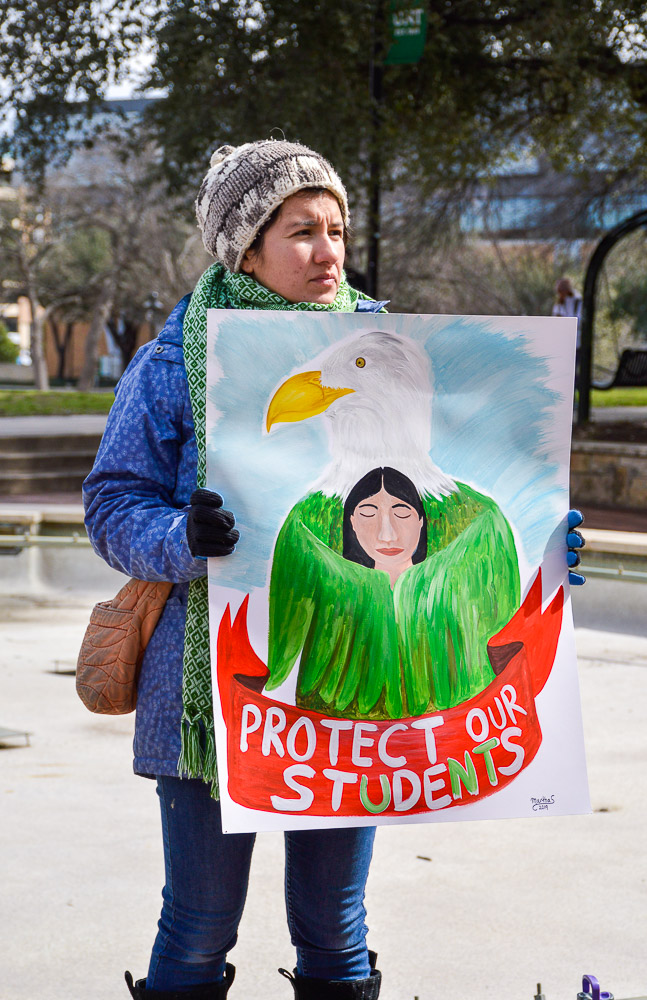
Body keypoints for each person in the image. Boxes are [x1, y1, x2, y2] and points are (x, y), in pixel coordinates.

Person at [83, 138, 586, 1000]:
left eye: (336, 230)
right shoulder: (173, 363)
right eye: (301, 231)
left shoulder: (395, 349)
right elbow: (111, 503)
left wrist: (543, 541)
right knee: (198, 928)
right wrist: (178, 536)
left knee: (335, 929)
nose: (327, 251)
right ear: (247, 247)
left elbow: (475, 501)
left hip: (364, 701)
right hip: (209, 698)